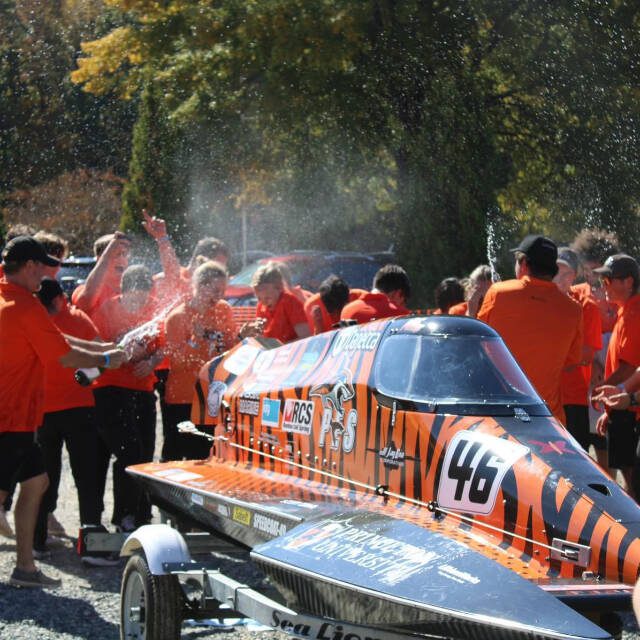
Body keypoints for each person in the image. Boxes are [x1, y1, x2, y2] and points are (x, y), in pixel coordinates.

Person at [0, 236, 126, 588]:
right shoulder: (23, 305)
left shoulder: (9, 294)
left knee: (37, 482)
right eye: (41, 266)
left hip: (21, 417)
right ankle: (24, 567)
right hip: (9, 417)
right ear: (27, 267)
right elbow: (64, 356)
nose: (46, 273)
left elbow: (56, 339)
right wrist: (103, 359)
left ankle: (25, 568)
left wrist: (100, 348)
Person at [33, 279, 115, 564]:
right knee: (85, 477)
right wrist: (97, 368)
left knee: (45, 478)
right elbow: (102, 359)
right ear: (60, 299)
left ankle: (37, 542)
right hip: (75, 409)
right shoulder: (76, 319)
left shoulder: (33, 320)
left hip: (45, 411)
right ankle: (90, 544)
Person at [478, 235, 583, 424]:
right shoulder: (573, 309)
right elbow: (572, 362)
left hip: (500, 414)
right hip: (548, 417)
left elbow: (478, 345)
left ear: (524, 264)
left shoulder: (498, 293)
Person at [92, 264, 164, 532]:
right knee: (128, 452)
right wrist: (116, 352)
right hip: (110, 388)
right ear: (124, 292)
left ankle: (141, 516)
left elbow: (164, 346)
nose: (140, 302)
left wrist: (152, 361)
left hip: (143, 388)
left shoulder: (156, 308)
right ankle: (123, 516)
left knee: (145, 454)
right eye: (135, 297)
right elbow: (95, 348)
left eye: (144, 297)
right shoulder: (108, 309)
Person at [163, 261, 237, 460]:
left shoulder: (223, 311)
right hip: (184, 399)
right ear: (199, 286)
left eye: (222, 290)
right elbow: (177, 362)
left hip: (212, 398)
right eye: (215, 290)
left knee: (206, 458)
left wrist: (242, 339)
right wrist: (195, 341)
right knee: (176, 459)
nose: (219, 296)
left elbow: (231, 350)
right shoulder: (178, 317)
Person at [590, 254, 640, 497]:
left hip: (630, 408)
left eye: (608, 279)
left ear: (628, 282)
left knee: (633, 482)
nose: (603, 285)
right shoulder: (626, 310)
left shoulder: (635, 311)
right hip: (623, 404)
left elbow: (630, 366)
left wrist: (605, 391)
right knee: (630, 479)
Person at [553, 249, 605, 464]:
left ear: (573, 276)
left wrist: (549, 358)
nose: (558, 278)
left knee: (575, 462)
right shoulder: (541, 301)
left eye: (565, 274)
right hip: (545, 397)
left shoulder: (586, 306)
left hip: (574, 398)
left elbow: (585, 355)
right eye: (555, 272)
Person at [250, 262, 311, 343]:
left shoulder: (290, 302)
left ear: (279, 288)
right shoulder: (261, 306)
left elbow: (306, 337)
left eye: (267, 298)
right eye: (259, 298)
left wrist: (280, 348)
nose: (263, 303)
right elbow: (261, 337)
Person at [340, 264, 411, 324]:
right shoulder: (400, 316)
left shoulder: (347, 310)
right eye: (404, 302)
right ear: (398, 293)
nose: (403, 307)